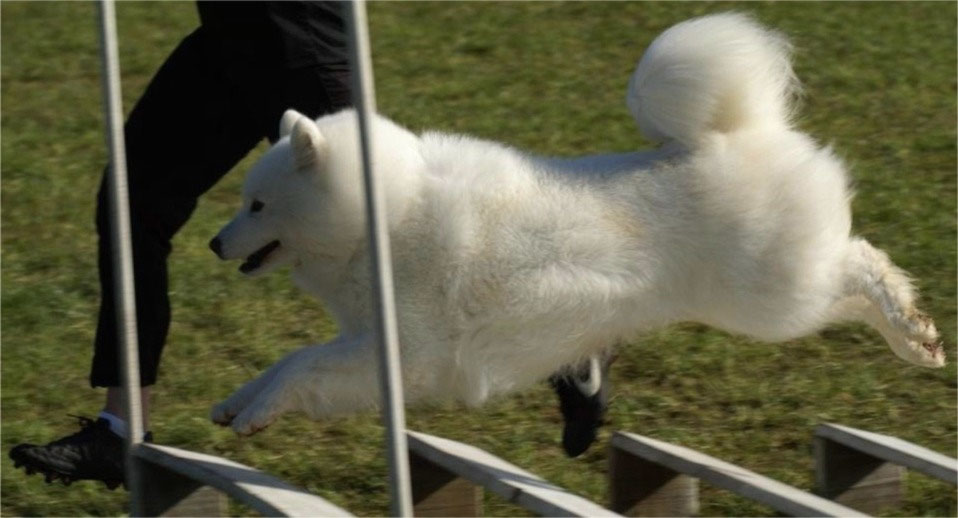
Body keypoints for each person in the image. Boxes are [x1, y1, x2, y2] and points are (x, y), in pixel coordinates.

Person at [9, 1, 607, 489]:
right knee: (130, 203)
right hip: (229, 27)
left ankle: (568, 334)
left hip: (296, 22)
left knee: (400, 223)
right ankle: (121, 427)